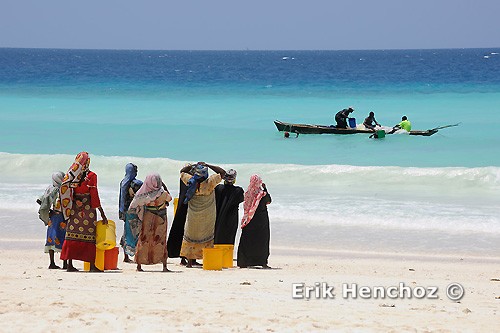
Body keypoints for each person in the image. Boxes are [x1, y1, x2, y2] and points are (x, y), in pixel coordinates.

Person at [59, 152, 108, 272]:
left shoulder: (71, 175)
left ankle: (69, 264)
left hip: (74, 209)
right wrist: (102, 212)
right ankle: (91, 265)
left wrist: (75, 201)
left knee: (72, 234)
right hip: (88, 209)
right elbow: (94, 195)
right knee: (90, 236)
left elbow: (66, 191)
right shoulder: (91, 176)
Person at [179, 162, 225, 268]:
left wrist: (193, 165)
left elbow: (182, 172)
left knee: (191, 235)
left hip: (192, 215)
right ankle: (206, 259)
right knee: (206, 236)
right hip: (207, 215)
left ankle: (190, 261)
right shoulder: (210, 183)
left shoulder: (190, 182)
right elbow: (222, 172)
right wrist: (209, 165)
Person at [128, 173, 172, 272]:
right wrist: (164, 187)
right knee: (161, 240)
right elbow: (169, 199)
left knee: (144, 239)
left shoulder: (142, 194)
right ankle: (164, 266)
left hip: (148, 216)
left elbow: (134, 204)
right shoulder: (162, 193)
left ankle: (139, 265)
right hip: (161, 217)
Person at [237, 175, 272, 269]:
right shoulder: (262, 194)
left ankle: (244, 262)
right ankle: (262, 262)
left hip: (249, 219)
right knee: (262, 240)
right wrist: (265, 189)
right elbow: (269, 201)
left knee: (247, 240)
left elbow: (245, 205)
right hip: (261, 220)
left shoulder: (248, 193)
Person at [37, 171, 67, 269]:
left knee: (52, 238)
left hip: (53, 217)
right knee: (63, 238)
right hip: (61, 217)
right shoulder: (60, 190)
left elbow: (40, 200)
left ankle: (52, 263)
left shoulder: (50, 188)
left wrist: (49, 210)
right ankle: (63, 263)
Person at [167, 164, 195, 266]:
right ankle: (185, 257)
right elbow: (182, 171)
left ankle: (185, 257)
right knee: (185, 232)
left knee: (182, 231)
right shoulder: (187, 179)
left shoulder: (189, 179)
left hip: (183, 207)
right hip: (186, 208)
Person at [118, 163, 143, 263]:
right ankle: (136, 254)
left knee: (126, 232)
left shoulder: (123, 182)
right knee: (136, 232)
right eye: (135, 170)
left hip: (124, 210)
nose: (136, 172)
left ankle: (125, 256)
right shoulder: (136, 184)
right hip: (134, 211)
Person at [214, 169, 244, 245]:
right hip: (232, 219)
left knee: (217, 238)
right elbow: (242, 199)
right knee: (229, 239)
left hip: (218, 217)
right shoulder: (238, 191)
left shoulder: (218, 188)